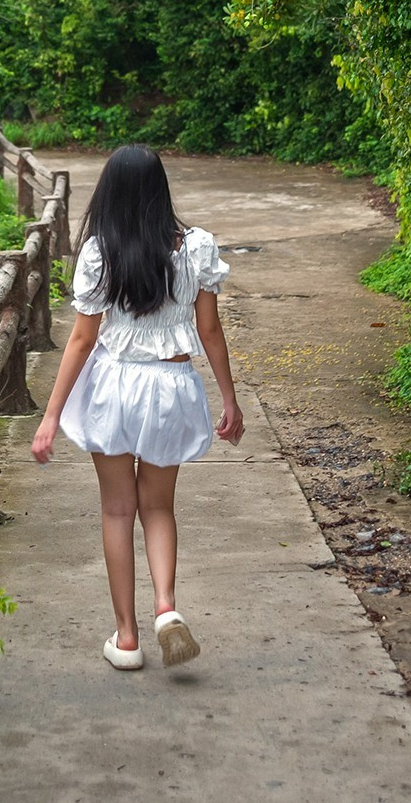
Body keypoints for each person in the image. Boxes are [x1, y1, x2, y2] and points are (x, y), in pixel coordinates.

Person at [29, 145, 243, 671]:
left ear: (111, 192)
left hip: (114, 389)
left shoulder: (102, 250)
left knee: (117, 510)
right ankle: (166, 608)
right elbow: (210, 332)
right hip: (171, 386)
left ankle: (126, 639)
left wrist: (51, 416)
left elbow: (81, 340)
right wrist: (230, 399)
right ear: (160, 190)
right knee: (159, 508)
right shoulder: (196, 247)